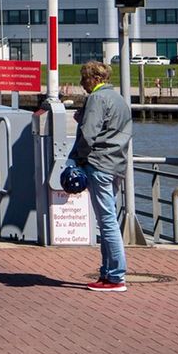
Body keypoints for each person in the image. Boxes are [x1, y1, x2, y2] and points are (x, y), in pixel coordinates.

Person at [69, 60, 132, 292]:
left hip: (99, 165)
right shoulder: (119, 99)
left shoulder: (96, 98)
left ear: (94, 79)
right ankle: (107, 273)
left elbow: (88, 135)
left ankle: (115, 276)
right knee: (109, 219)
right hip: (115, 164)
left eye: (84, 78)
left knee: (107, 223)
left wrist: (78, 159)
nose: (82, 83)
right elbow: (113, 128)